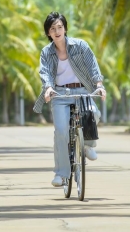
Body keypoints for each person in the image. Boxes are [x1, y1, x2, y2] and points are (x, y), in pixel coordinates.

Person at [33, 12, 107, 187]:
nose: (57, 31)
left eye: (60, 27)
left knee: (94, 114)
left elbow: (92, 66)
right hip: (59, 94)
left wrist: (99, 85)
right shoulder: (46, 52)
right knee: (61, 131)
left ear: (65, 28)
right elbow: (44, 72)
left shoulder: (80, 45)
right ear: (48, 33)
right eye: (53, 29)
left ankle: (88, 144)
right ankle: (61, 173)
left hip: (82, 90)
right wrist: (48, 88)